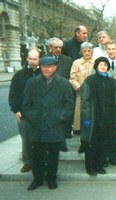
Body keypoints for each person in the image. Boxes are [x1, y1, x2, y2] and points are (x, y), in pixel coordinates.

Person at [23, 56, 74, 190]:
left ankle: (51, 179)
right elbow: (26, 104)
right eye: (44, 66)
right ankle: (37, 179)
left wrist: (61, 116)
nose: (47, 69)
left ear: (55, 68)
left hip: (55, 125)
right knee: (37, 154)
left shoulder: (64, 83)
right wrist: (32, 117)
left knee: (53, 154)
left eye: (50, 66)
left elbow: (69, 104)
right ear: (40, 67)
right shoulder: (31, 82)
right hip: (37, 125)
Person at [80, 57, 116, 176]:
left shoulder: (111, 81)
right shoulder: (90, 81)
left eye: (105, 65)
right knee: (92, 143)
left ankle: (100, 165)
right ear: (96, 66)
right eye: (101, 64)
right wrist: (86, 119)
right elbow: (84, 102)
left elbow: (112, 100)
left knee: (103, 143)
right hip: (93, 117)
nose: (103, 67)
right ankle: (90, 167)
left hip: (107, 118)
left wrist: (113, 116)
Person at [8, 49, 41, 173]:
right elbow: (13, 94)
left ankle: (40, 161)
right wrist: (16, 110)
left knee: (40, 138)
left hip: (40, 113)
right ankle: (28, 162)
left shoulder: (43, 73)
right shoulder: (19, 75)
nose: (33, 61)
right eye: (31, 59)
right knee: (26, 139)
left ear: (39, 60)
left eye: (35, 59)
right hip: (24, 113)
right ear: (27, 59)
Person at [69, 42, 95, 153]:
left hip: (94, 96)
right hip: (81, 96)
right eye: (85, 51)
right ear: (81, 52)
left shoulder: (96, 61)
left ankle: (92, 142)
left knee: (92, 119)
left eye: (89, 51)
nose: (87, 53)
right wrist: (77, 86)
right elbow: (72, 78)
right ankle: (83, 143)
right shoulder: (76, 63)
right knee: (83, 120)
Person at [48, 37, 74, 144]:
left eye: (60, 47)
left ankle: (66, 133)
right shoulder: (44, 59)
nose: (58, 49)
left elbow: (71, 76)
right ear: (50, 48)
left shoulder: (68, 60)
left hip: (64, 92)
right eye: (55, 47)